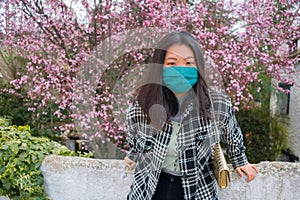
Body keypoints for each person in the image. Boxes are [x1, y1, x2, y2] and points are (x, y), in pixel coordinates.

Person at [124, 31, 258, 200]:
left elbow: (232, 134)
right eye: (172, 63)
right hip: (150, 187)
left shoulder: (217, 104)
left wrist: (240, 159)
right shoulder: (142, 104)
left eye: (188, 63)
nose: (181, 70)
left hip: (198, 188)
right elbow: (135, 136)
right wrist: (134, 154)